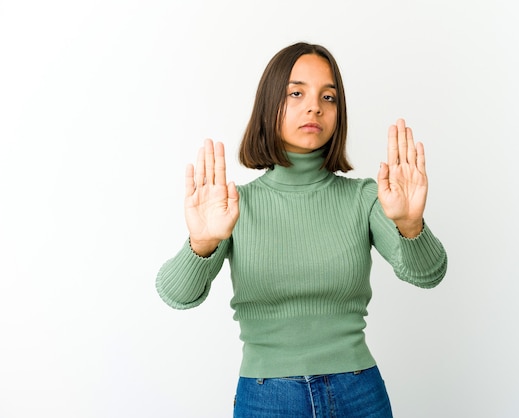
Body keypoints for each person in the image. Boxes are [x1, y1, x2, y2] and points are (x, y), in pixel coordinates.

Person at [156, 42, 447, 418]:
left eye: (329, 97)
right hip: (266, 398)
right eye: (297, 93)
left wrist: (409, 223)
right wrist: (203, 242)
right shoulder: (231, 206)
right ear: (269, 105)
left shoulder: (366, 198)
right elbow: (176, 293)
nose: (315, 106)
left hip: (358, 392)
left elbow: (429, 274)